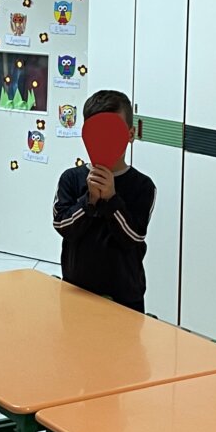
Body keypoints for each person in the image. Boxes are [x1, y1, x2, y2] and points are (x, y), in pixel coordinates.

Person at [52, 88, 156, 313]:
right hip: (76, 291)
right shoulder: (70, 179)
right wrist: (89, 201)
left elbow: (134, 237)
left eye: (113, 131)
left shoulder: (143, 186)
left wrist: (111, 199)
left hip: (125, 298)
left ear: (130, 134)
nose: (105, 139)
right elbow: (62, 226)